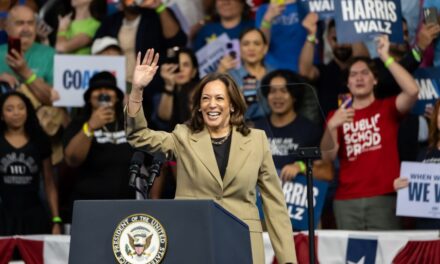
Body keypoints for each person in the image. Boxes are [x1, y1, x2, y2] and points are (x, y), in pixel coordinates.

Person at [126, 49, 297, 264]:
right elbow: (138, 136)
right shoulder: (183, 136)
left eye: (219, 98)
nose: (212, 104)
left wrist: (288, 260)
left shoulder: (256, 140)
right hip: (195, 241)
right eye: (205, 99)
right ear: (198, 107)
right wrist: (137, 90)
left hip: (242, 243)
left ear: (232, 105)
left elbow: (275, 204)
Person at [320, 35, 419, 230]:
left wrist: (385, 56)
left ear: (375, 80)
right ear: (347, 83)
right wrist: (332, 126)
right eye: (353, 74)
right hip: (346, 201)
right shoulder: (337, 115)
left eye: (365, 73)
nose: (359, 78)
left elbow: (413, 91)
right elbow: (327, 157)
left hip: (384, 197)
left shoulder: (387, 107)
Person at [63, 71, 136, 222]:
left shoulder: (131, 124)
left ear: (117, 97)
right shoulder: (78, 124)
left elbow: (153, 160)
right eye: (98, 89)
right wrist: (90, 127)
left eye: (108, 89)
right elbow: (72, 159)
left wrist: (153, 198)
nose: (103, 92)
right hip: (88, 207)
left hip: (126, 207)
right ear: (89, 98)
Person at [0, 92, 60, 235]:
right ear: (1, 115)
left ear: (28, 111)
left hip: (34, 216)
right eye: (9, 109)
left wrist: (56, 220)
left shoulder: (39, 141)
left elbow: (49, 184)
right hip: (3, 215)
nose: (16, 113)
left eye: (21, 107)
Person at [254, 69, 329, 182]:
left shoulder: (310, 131)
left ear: (294, 96)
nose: (277, 96)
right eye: (272, 91)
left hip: (295, 197)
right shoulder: (255, 129)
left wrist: (301, 167)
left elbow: (327, 173)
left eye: (284, 91)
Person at [393, 99, 440, 230]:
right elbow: (414, 188)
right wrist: (402, 187)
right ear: (436, 119)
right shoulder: (423, 153)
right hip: (426, 231)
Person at [0, 4, 53, 105]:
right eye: (20, 23)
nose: (26, 29)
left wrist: (25, 72)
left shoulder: (50, 54)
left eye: (31, 23)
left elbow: (53, 100)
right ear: (7, 27)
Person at [219, 27, 272, 121]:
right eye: (246, 44)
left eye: (257, 43)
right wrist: (220, 73)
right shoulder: (229, 76)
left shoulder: (275, 74)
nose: (251, 48)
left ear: (265, 48)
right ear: (239, 48)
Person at [157, 47, 200, 129]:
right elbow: (164, 117)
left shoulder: (201, 91)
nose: (180, 69)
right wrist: (169, 85)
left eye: (186, 65)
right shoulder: (160, 95)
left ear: (194, 72)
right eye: (176, 65)